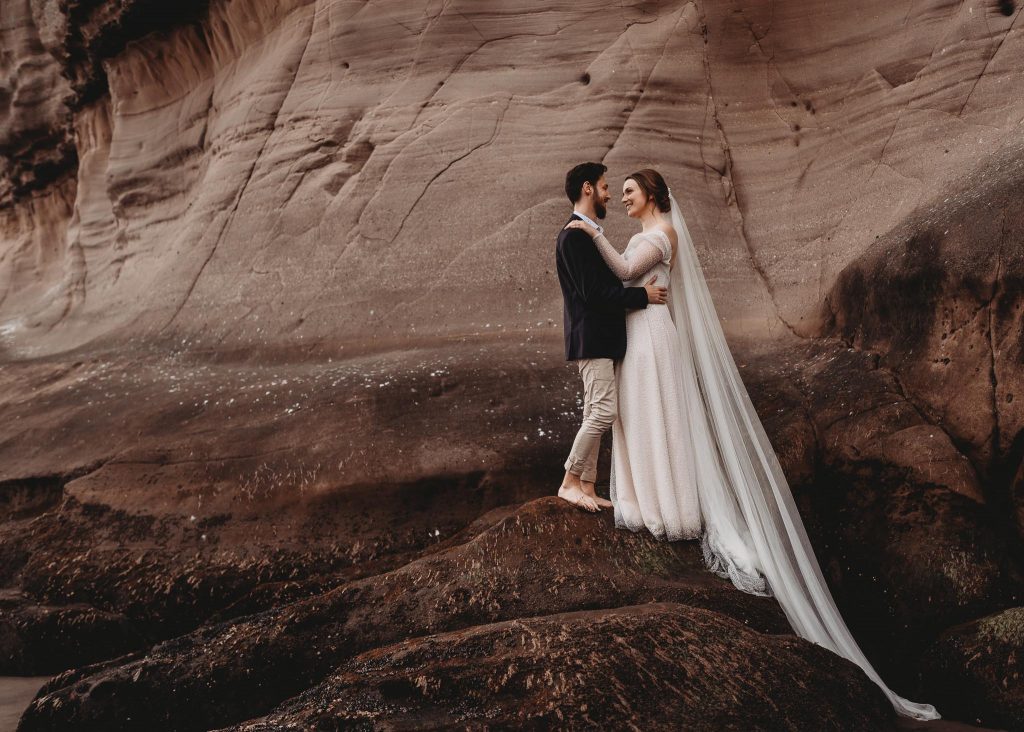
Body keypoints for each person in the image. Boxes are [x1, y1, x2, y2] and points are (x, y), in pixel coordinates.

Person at [563, 168, 940, 722]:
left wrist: (588, 231)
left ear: (654, 195)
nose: (621, 197)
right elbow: (621, 286)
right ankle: (647, 496)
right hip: (641, 331)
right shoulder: (645, 234)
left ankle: (666, 505)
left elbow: (619, 273)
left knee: (656, 415)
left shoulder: (658, 235)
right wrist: (625, 281)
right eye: (615, 190)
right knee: (640, 417)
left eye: (629, 190)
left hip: (652, 338)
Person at [554, 162, 667, 512]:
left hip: (597, 338)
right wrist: (641, 297)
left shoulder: (584, 232)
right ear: (588, 188)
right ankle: (570, 481)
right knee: (604, 411)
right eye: (605, 187)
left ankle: (587, 486)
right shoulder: (575, 235)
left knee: (594, 408)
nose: (609, 195)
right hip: (592, 338)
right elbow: (594, 294)